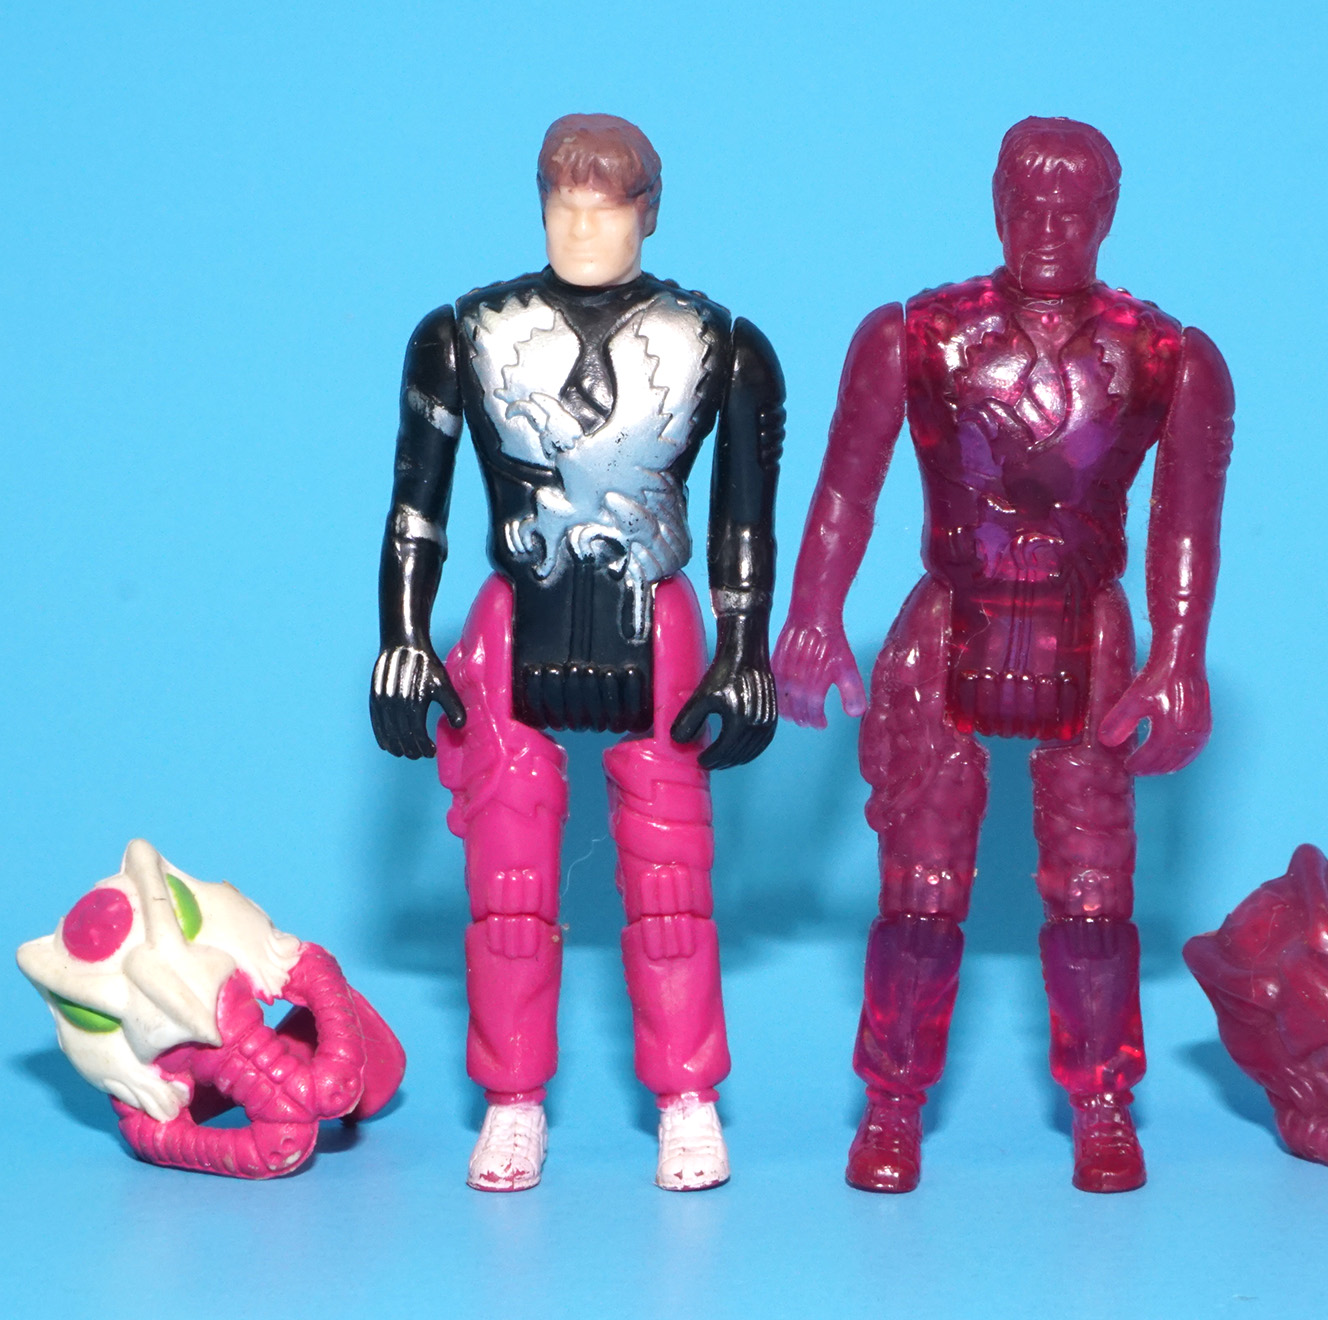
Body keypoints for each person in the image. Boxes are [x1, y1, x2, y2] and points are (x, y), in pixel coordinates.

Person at [773, 116, 1233, 1193]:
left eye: (1071, 210)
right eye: (1027, 205)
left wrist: (1180, 656)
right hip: (949, 621)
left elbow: (1185, 522)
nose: (1047, 229)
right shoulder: (918, 335)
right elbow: (846, 485)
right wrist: (813, 613)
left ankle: (1103, 1101)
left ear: (1107, 216)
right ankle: (892, 1101)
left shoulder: (1165, 356)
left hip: (1090, 631)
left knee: (1093, 891)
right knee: (921, 884)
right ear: (995, 205)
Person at [370, 113, 783, 1192]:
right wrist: (404, 637)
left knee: (671, 883)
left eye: (606, 208)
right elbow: (416, 509)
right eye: (564, 206)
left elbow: (744, 520)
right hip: (516, 619)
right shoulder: (464, 334)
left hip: (659, 621)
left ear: (648, 212)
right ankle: (512, 1100)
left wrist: (746, 649)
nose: (583, 229)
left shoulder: (721, 345)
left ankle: (687, 1096)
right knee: (509, 888)